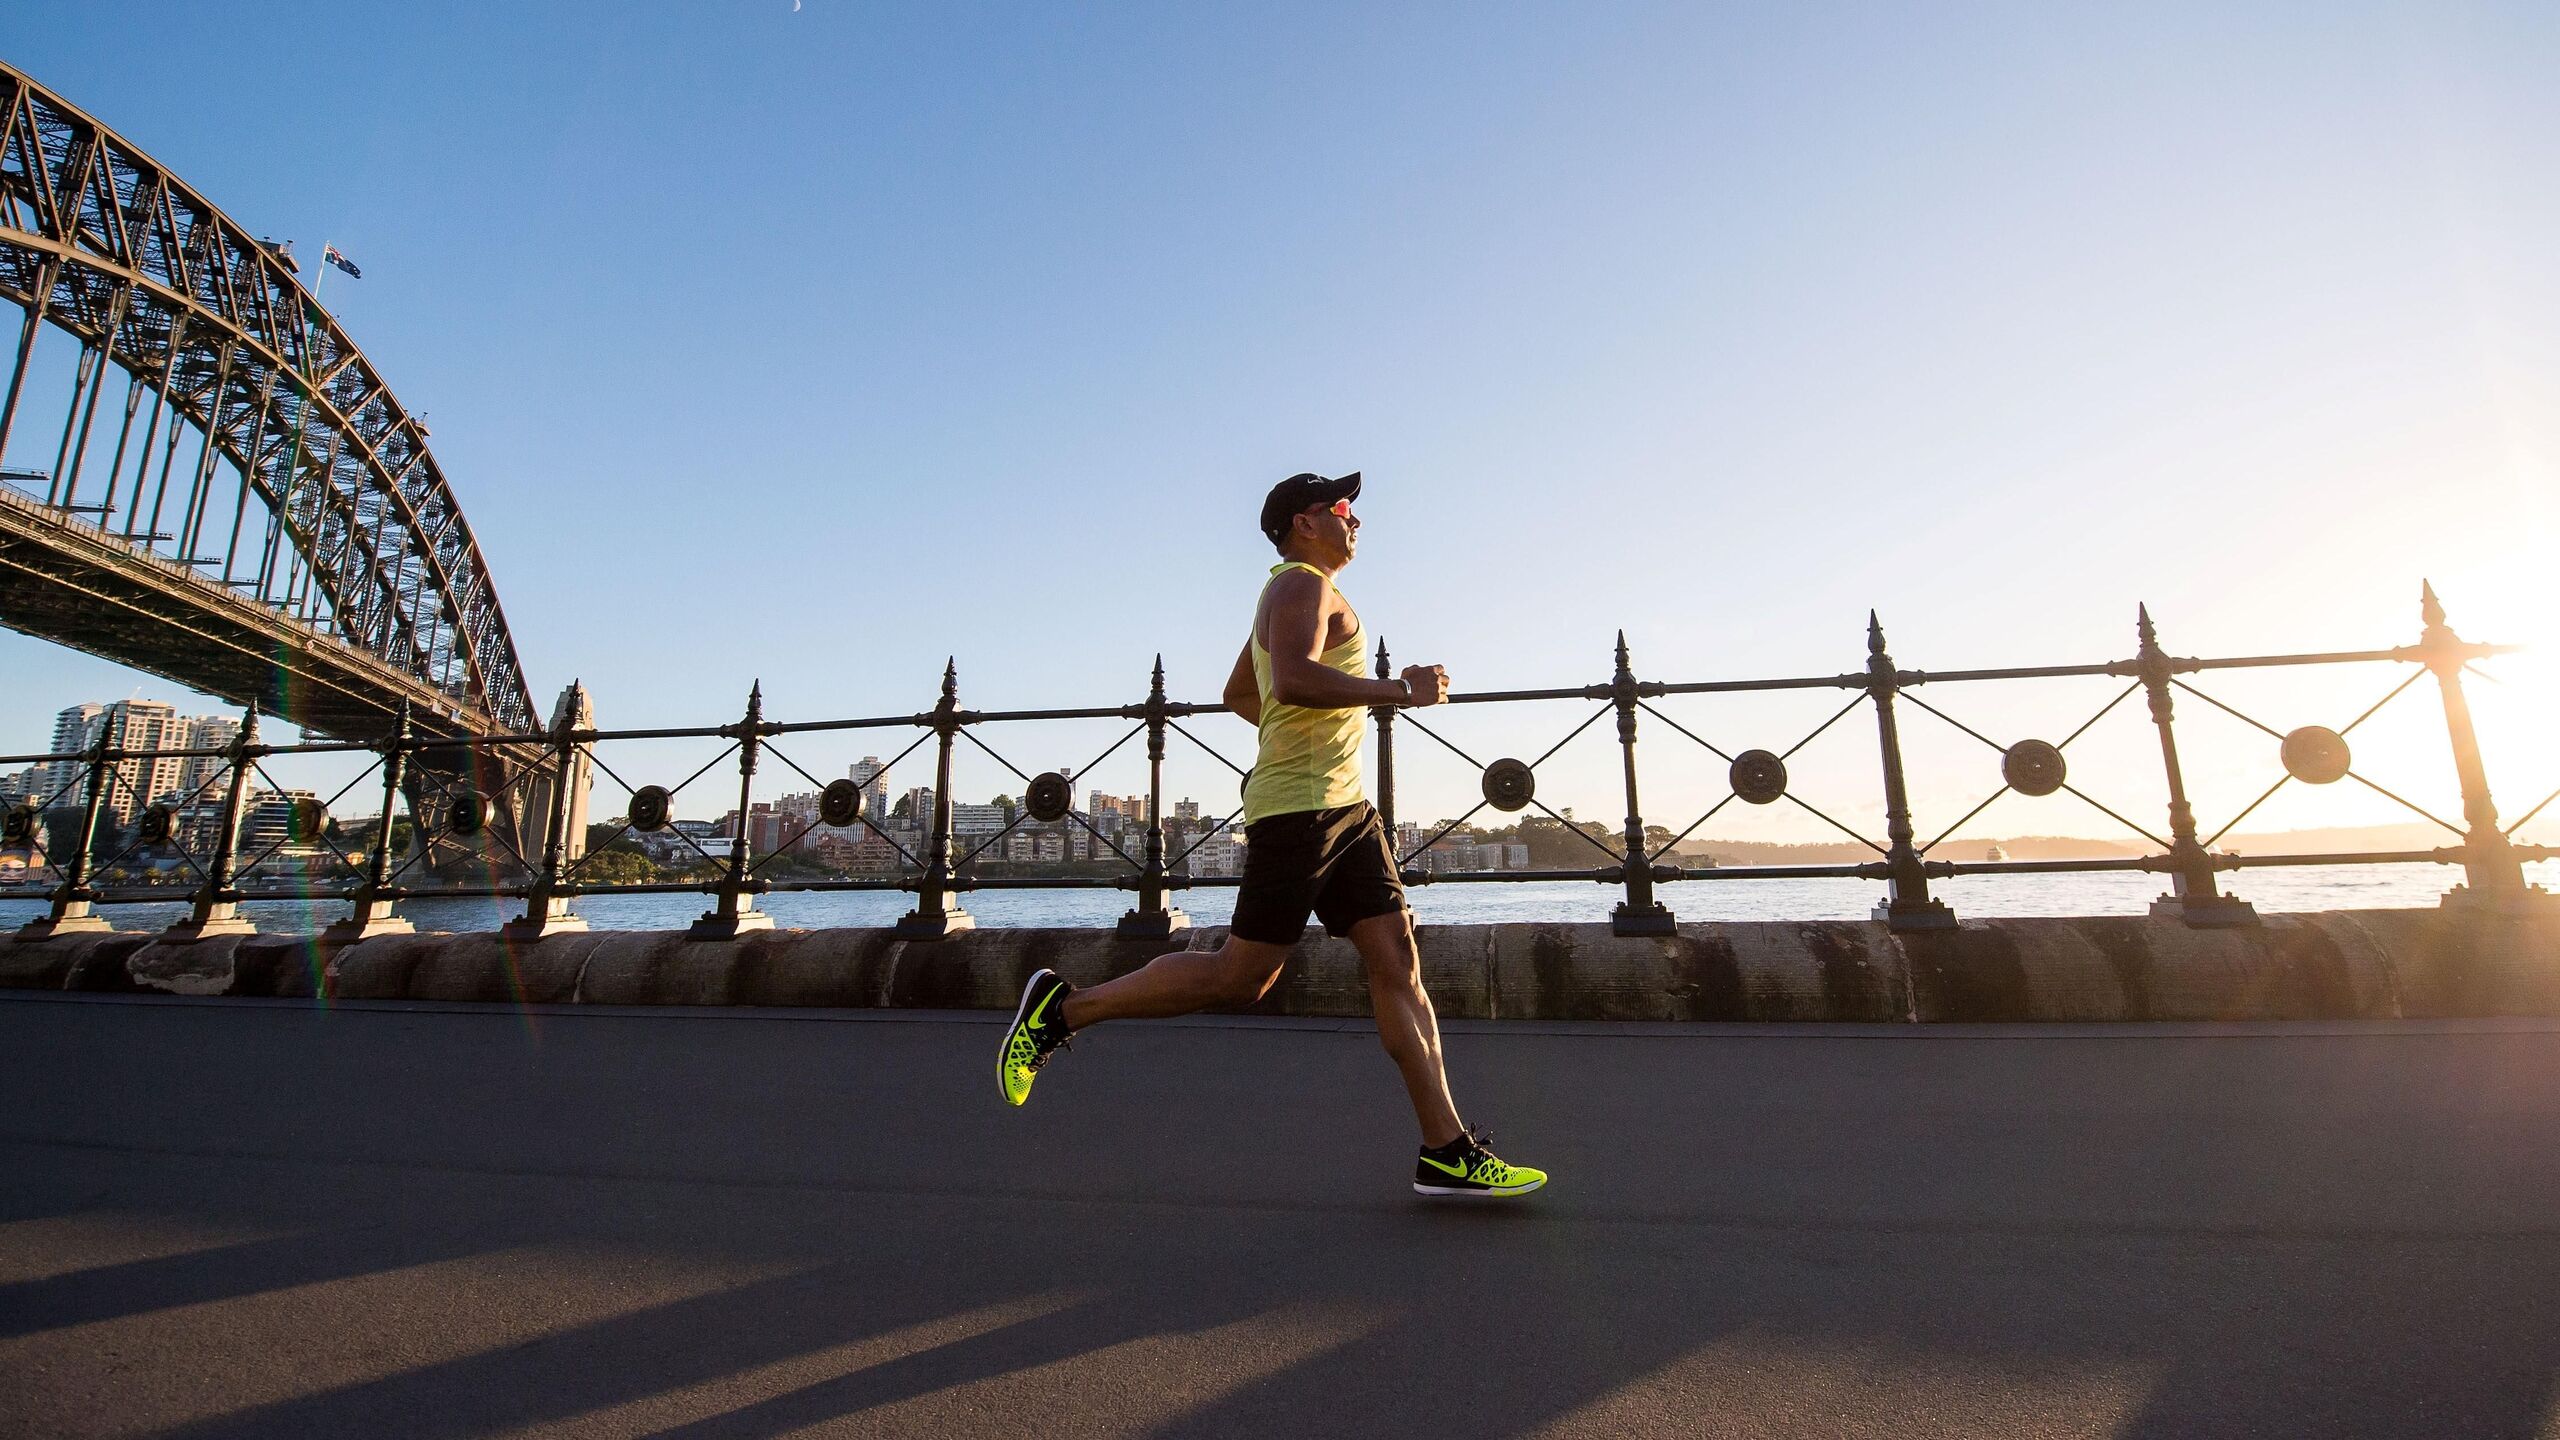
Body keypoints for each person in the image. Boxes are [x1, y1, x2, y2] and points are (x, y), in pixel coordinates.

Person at [997, 471, 1545, 1199]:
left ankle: (1447, 1148)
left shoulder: (1305, 590)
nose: (1355, 520)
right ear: (1302, 522)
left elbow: (1241, 694)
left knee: (1398, 957)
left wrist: (1302, 744)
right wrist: (1397, 692)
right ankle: (1061, 1010)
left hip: (1346, 810)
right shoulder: (1299, 587)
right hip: (1303, 814)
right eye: (1342, 508)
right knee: (1241, 977)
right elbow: (1288, 681)